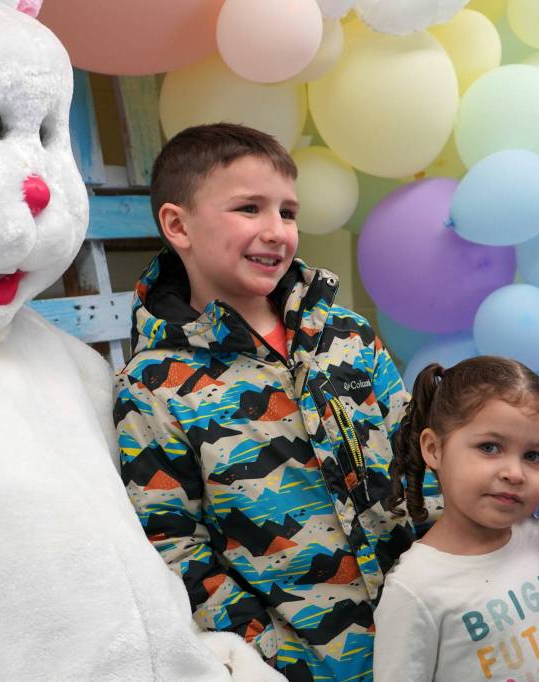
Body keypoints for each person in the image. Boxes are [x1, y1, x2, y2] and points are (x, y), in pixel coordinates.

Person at [114, 123, 430, 681]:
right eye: (249, 209)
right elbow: (172, 542)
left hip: (429, 634)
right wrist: (269, 652)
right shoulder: (152, 385)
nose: (276, 231)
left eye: (287, 212)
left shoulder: (348, 335)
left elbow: (421, 457)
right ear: (178, 225)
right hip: (309, 662)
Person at [373, 356, 539, 682]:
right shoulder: (415, 587)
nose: (514, 473)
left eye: (533, 456)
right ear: (434, 448)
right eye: (489, 447)